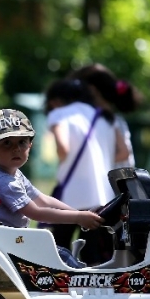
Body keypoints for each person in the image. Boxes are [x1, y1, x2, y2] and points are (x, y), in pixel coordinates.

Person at [0, 109, 104, 267]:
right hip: (8, 244)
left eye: (22, 142)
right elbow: (36, 212)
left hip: (11, 239)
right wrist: (78, 218)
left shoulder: (13, 173)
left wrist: (77, 213)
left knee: (62, 254)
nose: (16, 149)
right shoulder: (4, 181)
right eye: (6, 143)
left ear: (30, 145)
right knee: (64, 261)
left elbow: (43, 199)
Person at [44, 79, 117, 263]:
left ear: (55, 101)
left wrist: (61, 159)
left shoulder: (59, 114)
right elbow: (122, 151)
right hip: (103, 197)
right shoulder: (104, 117)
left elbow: (63, 148)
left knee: (57, 250)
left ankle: (59, 290)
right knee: (95, 256)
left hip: (71, 196)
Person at [68, 63, 144, 168]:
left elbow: (124, 153)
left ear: (92, 89)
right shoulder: (113, 119)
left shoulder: (105, 120)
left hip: (113, 182)